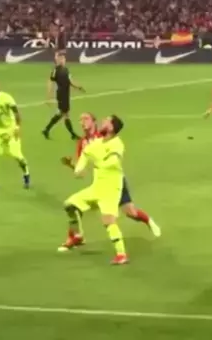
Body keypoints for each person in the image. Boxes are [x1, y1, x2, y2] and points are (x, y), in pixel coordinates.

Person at [60, 112, 161, 247]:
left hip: (115, 181)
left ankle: (148, 221)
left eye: (86, 119)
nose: (82, 122)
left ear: (94, 122)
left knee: (131, 213)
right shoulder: (82, 143)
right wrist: (71, 165)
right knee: (74, 206)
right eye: (80, 120)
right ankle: (75, 237)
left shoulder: (104, 136)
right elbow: (82, 171)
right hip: (100, 183)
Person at [58, 115, 129, 265]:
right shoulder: (95, 144)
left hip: (111, 189)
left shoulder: (117, 144)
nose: (102, 122)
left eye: (106, 120)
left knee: (108, 221)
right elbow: (81, 167)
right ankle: (78, 236)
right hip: (96, 188)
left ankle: (121, 254)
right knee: (70, 204)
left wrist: (98, 162)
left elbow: (113, 162)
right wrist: (74, 166)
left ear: (111, 127)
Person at [42, 52, 84, 140]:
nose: (64, 60)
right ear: (59, 59)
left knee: (64, 114)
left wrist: (78, 87)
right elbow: (51, 82)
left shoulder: (66, 70)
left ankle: (47, 130)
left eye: (64, 58)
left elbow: (70, 81)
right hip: (61, 95)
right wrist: (49, 96)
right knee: (63, 114)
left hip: (66, 94)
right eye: (62, 58)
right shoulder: (55, 70)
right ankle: (71, 134)